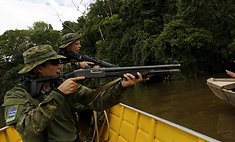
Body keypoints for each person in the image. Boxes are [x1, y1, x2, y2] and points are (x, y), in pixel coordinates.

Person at [2, 45, 146, 141]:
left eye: (59, 61)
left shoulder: (60, 84)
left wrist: (121, 85)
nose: (60, 65)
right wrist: (59, 94)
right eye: (55, 62)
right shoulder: (16, 95)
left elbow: (96, 102)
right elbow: (28, 130)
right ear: (38, 68)